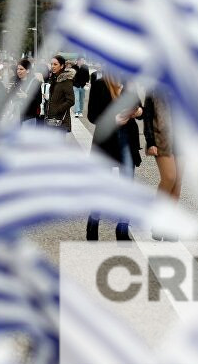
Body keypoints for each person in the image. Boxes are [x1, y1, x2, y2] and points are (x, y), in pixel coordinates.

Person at [86, 71, 142, 241]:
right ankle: (93, 223)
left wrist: (138, 111)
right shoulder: (99, 84)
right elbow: (92, 116)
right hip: (106, 143)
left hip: (127, 142)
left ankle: (122, 229)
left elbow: (141, 109)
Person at [143, 92, 182, 217]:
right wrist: (150, 141)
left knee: (177, 183)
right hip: (162, 139)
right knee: (169, 178)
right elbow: (147, 115)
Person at [45, 55, 76, 132]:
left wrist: (57, 109)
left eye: (55, 64)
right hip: (51, 119)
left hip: (60, 120)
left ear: (62, 66)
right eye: (51, 64)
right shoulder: (54, 79)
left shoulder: (66, 80)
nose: (52, 66)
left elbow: (71, 101)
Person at [8, 59, 42, 125]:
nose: (18, 71)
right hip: (16, 116)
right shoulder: (15, 82)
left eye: (21, 69)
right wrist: (8, 91)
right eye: (18, 69)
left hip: (29, 117)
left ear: (28, 70)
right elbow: (11, 98)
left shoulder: (34, 82)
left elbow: (39, 100)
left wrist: (27, 96)